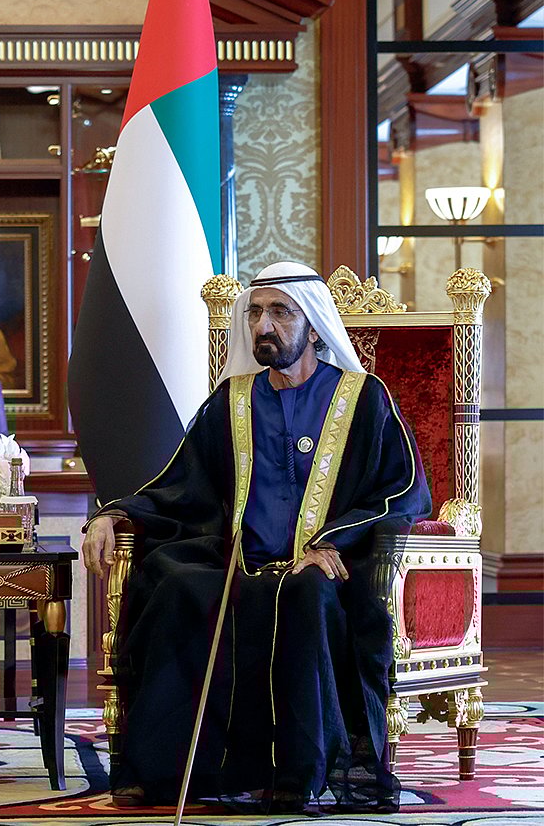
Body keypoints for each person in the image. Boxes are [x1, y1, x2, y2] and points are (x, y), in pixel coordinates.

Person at [82, 261, 430, 814]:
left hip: (326, 572)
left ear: (313, 326)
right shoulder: (231, 402)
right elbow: (181, 485)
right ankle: (173, 772)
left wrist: (332, 544)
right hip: (241, 565)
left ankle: (300, 774)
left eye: (279, 312)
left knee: (308, 595)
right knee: (177, 589)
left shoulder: (364, 398)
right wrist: (113, 514)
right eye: (255, 313)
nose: (263, 325)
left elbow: (403, 490)